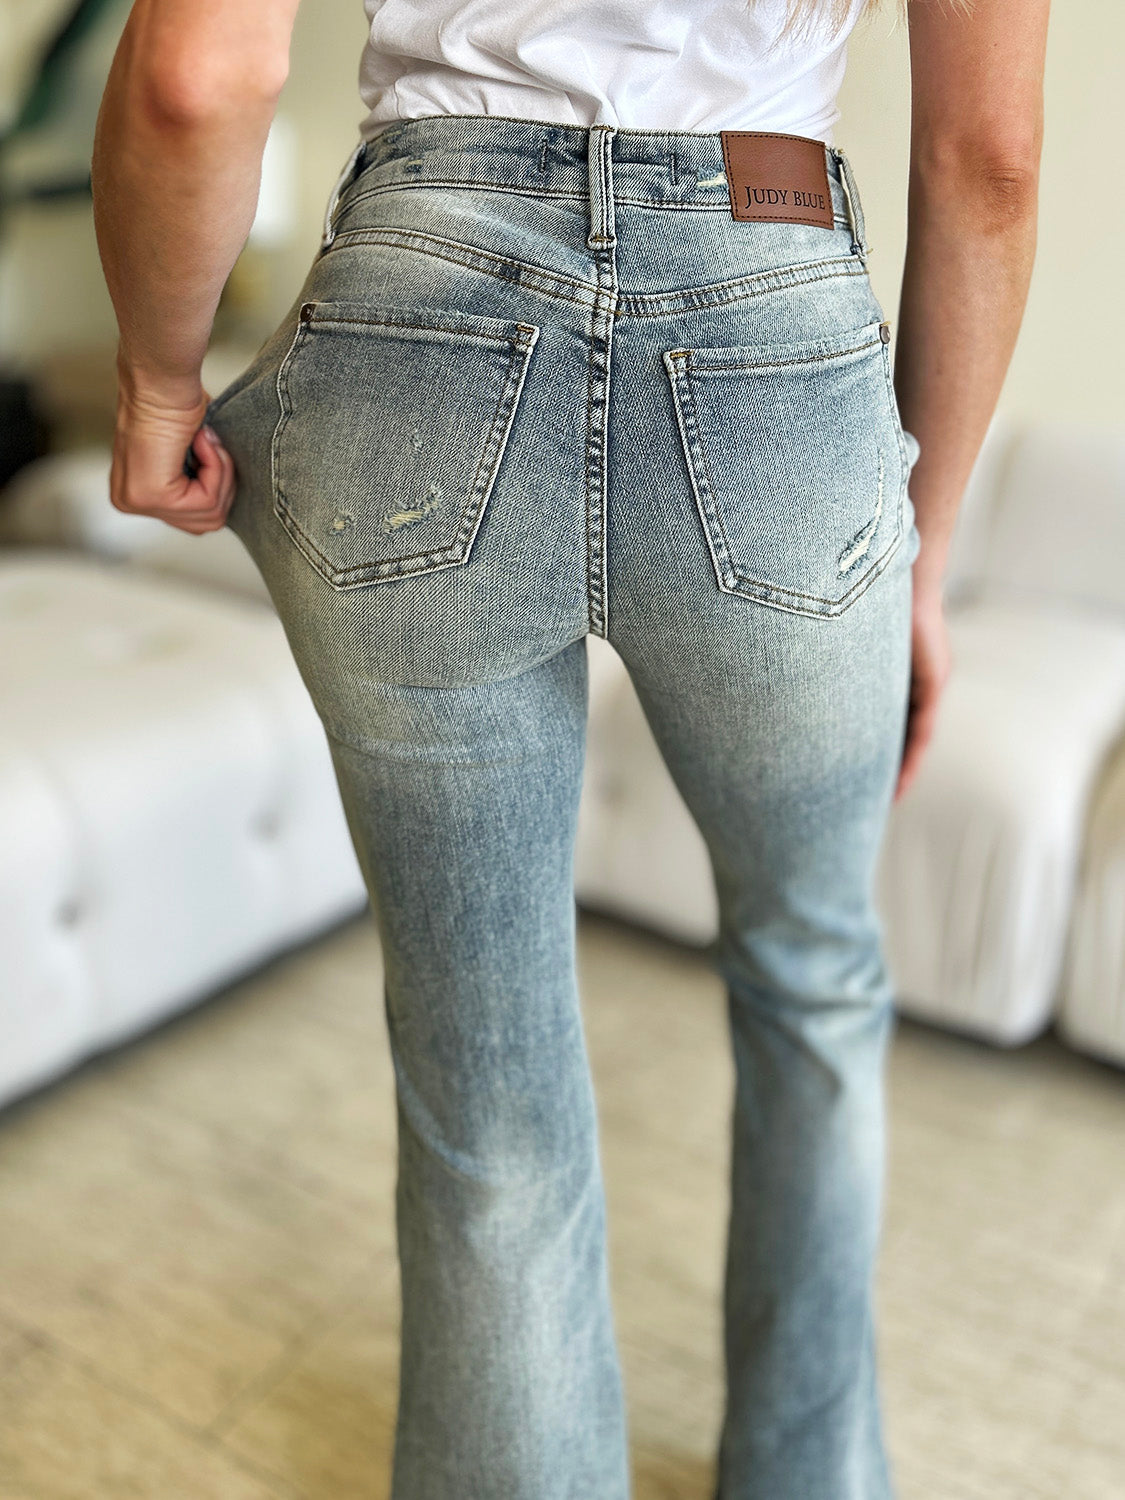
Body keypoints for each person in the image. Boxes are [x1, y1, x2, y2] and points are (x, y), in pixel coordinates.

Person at [91, 0, 1049, 1495]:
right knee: (814, 974)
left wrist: (156, 382)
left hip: (419, 299)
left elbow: (194, 76)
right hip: (768, 306)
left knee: (485, 1076)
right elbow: (983, 156)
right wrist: (914, 564)